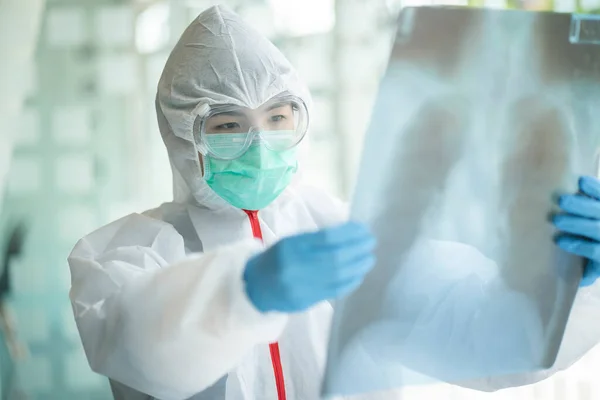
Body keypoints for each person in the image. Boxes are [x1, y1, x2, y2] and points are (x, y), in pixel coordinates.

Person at [68, 5, 600, 400]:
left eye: (279, 116)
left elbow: (489, 345)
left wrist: (565, 288)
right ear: (183, 137)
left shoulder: (343, 232)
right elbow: (142, 352)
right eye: (227, 125)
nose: (261, 143)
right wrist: (242, 291)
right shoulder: (126, 252)